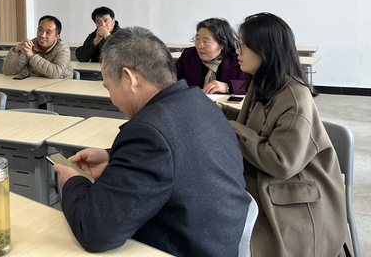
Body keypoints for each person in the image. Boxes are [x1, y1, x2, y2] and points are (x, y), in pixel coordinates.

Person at [55, 26, 251, 256]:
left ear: (129, 78)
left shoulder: (147, 132)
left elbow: (95, 231)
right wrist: (113, 157)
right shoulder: (201, 102)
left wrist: (74, 181)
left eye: (109, 88)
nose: (112, 99)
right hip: (220, 241)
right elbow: (177, 154)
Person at [219, 13, 351, 257]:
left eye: (243, 45)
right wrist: (221, 112)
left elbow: (281, 163)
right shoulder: (262, 82)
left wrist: (229, 126)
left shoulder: (295, 98)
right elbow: (251, 125)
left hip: (296, 200)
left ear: (265, 50)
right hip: (265, 184)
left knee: (222, 235)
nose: (237, 51)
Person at [175, 17, 246, 94]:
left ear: (222, 44)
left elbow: (250, 85)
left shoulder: (238, 59)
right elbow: (172, 79)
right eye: (197, 39)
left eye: (206, 42)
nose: (199, 46)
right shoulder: (189, 54)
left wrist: (228, 86)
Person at [2, 15, 73, 79]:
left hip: (61, 85)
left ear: (56, 37)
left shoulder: (63, 48)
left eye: (48, 32)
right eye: (40, 30)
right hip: (36, 85)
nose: (42, 35)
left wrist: (32, 56)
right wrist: (15, 51)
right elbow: (9, 72)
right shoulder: (30, 45)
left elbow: (56, 74)